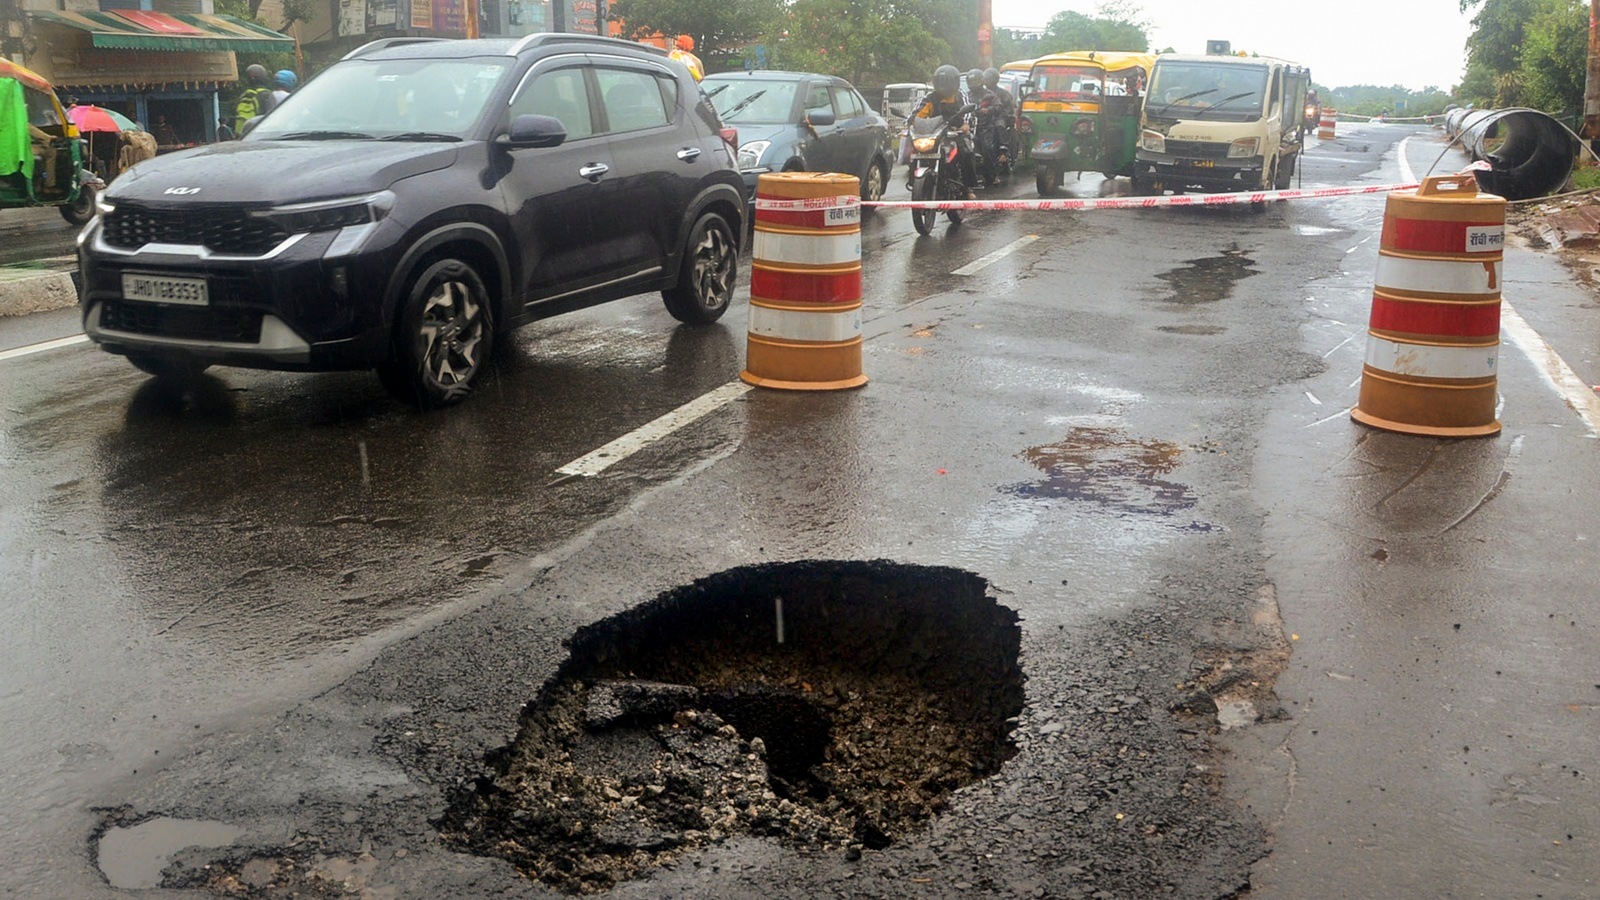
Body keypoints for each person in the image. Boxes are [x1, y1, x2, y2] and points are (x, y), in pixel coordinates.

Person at [911, 64, 978, 199]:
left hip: (955, 132)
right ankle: (916, 184)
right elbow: (917, 114)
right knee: (914, 153)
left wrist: (964, 125)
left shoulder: (960, 96)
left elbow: (967, 112)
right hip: (934, 133)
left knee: (966, 152)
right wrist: (910, 123)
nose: (943, 85)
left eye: (946, 82)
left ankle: (968, 187)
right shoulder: (929, 98)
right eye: (940, 82)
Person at [234, 64, 278, 133]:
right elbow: (273, 117)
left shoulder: (245, 94)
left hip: (243, 134)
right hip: (259, 133)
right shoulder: (266, 94)